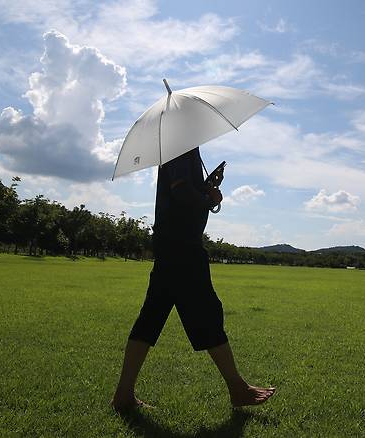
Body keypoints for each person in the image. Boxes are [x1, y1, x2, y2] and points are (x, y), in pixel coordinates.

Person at [111, 147, 275, 412]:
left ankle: (123, 395)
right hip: (182, 247)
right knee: (207, 312)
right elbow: (181, 191)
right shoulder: (180, 146)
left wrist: (205, 188)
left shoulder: (182, 148)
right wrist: (209, 197)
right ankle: (238, 388)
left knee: (151, 316)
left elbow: (184, 190)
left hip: (172, 245)